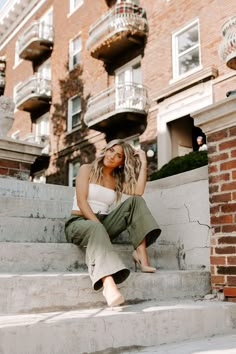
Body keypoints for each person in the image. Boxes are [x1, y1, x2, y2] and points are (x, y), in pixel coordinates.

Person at [64, 139, 161, 307]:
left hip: (103, 224)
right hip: (79, 222)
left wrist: (144, 162)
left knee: (135, 202)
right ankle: (108, 284)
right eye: (111, 151)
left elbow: (138, 192)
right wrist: (98, 226)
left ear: (121, 163)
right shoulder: (86, 169)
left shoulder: (116, 180)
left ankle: (141, 254)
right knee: (95, 227)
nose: (112, 156)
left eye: (118, 156)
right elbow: (81, 202)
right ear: (105, 150)